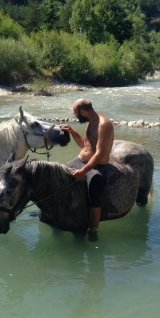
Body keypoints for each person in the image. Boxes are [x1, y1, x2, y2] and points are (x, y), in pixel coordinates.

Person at [60, 98, 114, 240]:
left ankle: (93, 230)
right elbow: (85, 145)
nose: (76, 116)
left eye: (76, 113)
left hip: (97, 166)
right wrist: (72, 132)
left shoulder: (104, 125)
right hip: (80, 160)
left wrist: (83, 171)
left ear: (83, 111)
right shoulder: (90, 122)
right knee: (59, 177)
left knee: (94, 195)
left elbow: (100, 153)